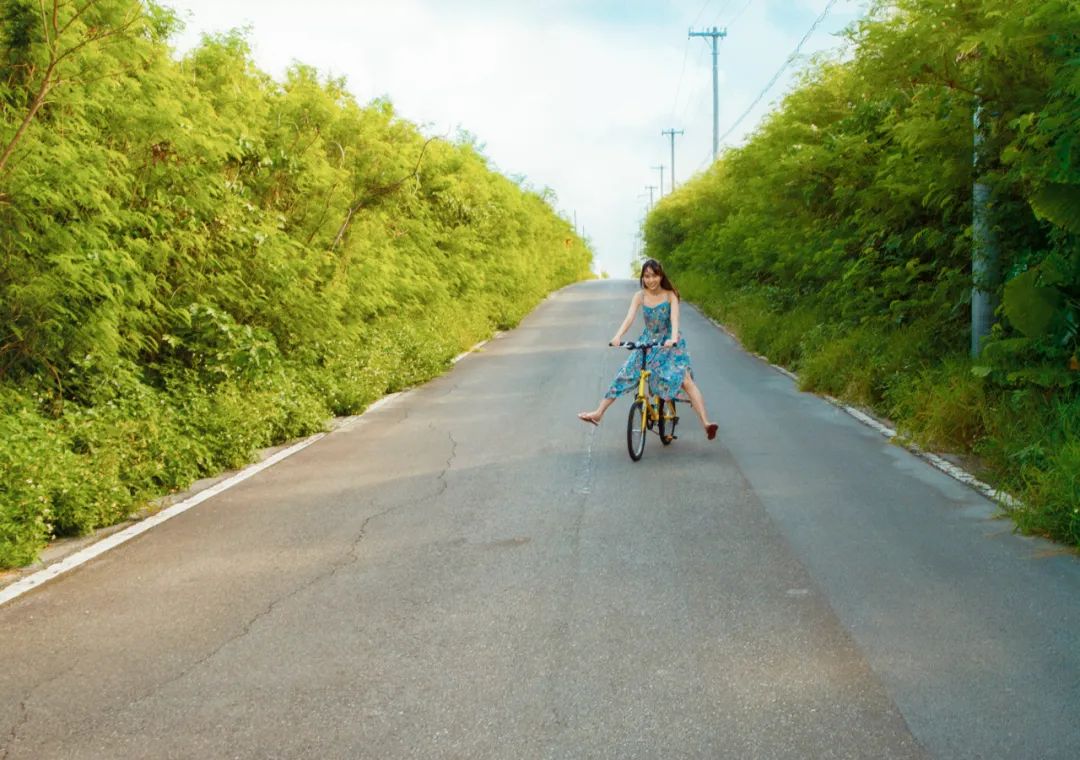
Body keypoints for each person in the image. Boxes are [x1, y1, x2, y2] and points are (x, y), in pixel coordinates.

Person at [578, 259, 718, 440]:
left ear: (661, 276)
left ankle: (706, 423)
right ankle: (598, 413)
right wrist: (618, 336)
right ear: (642, 278)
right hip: (648, 341)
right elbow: (629, 318)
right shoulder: (640, 296)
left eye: (654, 276)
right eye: (646, 276)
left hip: (670, 343)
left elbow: (675, 319)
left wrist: (673, 338)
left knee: (685, 380)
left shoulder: (670, 295)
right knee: (625, 373)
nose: (650, 280)